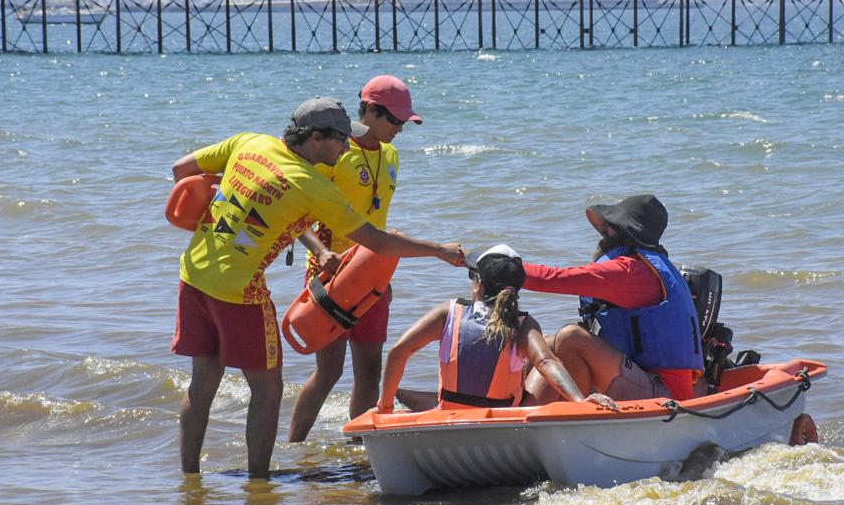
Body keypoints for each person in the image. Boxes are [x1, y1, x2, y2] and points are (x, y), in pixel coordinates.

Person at [170, 97, 464, 478]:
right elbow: (378, 242)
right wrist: (439, 251)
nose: (345, 148)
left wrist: (231, 197)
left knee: (202, 381)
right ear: (315, 139)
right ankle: (260, 484)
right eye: (341, 140)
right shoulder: (309, 186)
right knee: (268, 389)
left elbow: (181, 170)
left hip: (193, 274)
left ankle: (189, 479)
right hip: (239, 292)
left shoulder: (249, 142)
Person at [288, 76, 422, 442]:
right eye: (394, 120)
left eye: (403, 123)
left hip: (371, 278)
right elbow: (294, 214)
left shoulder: (391, 155)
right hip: (330, 276)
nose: (399, 129)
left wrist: (383, 274)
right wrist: (320, 251)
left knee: (369, 373)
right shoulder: (334, 151)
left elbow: (377, 224)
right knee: (328, 373)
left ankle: (358, 450)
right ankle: (293, 447)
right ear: (370, 111)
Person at [377, 245, 618, 413]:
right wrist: (580, 399)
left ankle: (402, 398)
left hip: (452, 412)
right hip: (502, 418)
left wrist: (384, 407)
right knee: (548, 350)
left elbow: (399, 351)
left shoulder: (448, 311)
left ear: (478, 284)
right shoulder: (523, 323)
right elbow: (546, 362)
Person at [520, 194, 705, 404]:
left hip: (665, 393)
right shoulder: (648, 265)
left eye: (610, 226)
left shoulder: (631, 271)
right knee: (547, 343)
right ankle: (522, 412)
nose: (604, 230)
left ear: (625, 232)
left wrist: (499, 267)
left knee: (571, 338)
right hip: (641, 379)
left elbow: (551, 279)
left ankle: (558, 419)